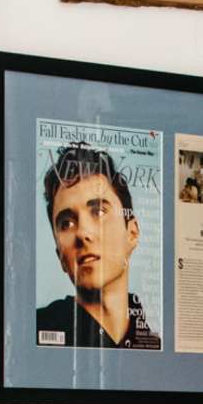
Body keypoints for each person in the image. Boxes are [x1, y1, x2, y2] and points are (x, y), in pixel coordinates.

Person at [35, 142, 160, 350]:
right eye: (66, 223)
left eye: (99, 211)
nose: (83, 233)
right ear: (60, 256)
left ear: (132, 233)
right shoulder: (37, 331)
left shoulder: (154, 349)